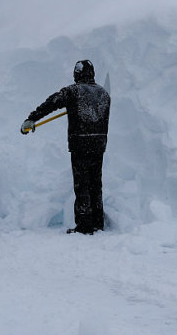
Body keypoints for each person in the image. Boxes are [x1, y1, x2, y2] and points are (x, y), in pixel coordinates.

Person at [21, 60, 111, 234]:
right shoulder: (104, 94)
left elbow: (52, 102)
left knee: (82, 184)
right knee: (95, 184)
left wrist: (32, 118)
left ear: (77, 74)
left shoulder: (73, 91)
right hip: (99, 144)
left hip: (80, 143)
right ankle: (97, 222)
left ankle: (85, 225)